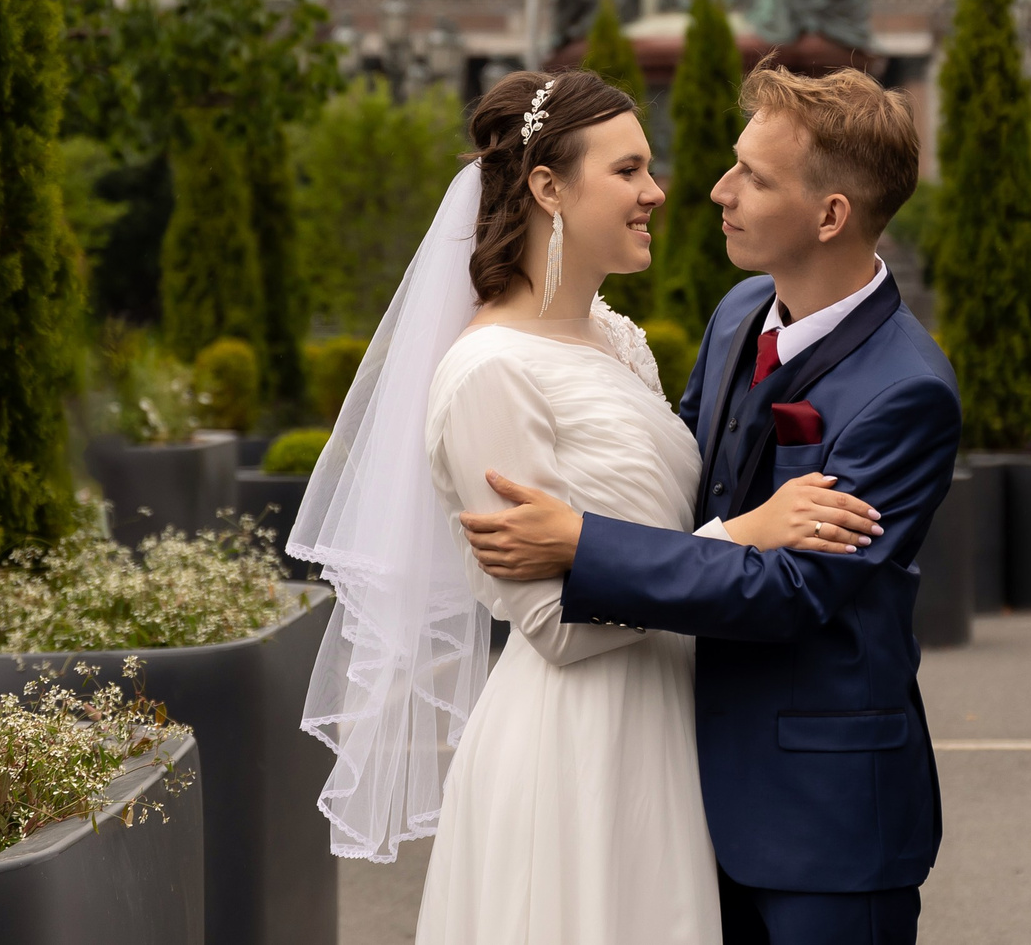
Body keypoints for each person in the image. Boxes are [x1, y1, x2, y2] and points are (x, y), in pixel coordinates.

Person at [285, 69, 880, 945]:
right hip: (578, 747)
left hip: (672, 726)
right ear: (547, 188)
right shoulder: (489, 373)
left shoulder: (619, 337)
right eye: (629, 170)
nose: (658, 192)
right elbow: (556, 627)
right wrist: (744, 535)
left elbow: (649, 522)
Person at [464, 64, 959, 945]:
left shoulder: (908, 393)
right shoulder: (738, 315)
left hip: (825, 827)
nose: (715, 189)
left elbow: (793, 591)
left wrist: (582, 543)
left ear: (831, 215)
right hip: (673, 788)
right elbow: (683, 487)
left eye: (754, 178)